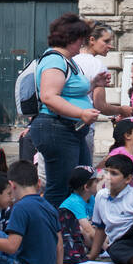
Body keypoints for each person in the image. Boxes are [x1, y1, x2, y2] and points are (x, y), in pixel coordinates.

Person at [29, 13, 100, 206]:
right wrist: (82, 113)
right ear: (71, 39)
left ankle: (73, 227)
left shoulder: (67, 60)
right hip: (56, 128)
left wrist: (94, 84)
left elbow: (70, 92)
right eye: (81, 39)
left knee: (82, 181)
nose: (83, 43)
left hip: (69, 130)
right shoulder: (54, 60)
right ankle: (54, 231)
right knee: (61, 187)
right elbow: (49, 96)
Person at [73, 23, 129, 164]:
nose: (110, 46)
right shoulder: (96, 65)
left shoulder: (71, 59)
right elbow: (100, 105)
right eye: (106, 41)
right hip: (83, 125)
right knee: (83, 173)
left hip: (65, 122)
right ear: (92, 40)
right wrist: (121, 110)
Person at [59, 166, 99, 248]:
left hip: (87, 238)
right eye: (97, 181)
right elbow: (89, 231)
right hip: (69, 242)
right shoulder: (74, 202)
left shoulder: (91, 198)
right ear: (86, 187)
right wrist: (109, 246)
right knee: (84, 232)